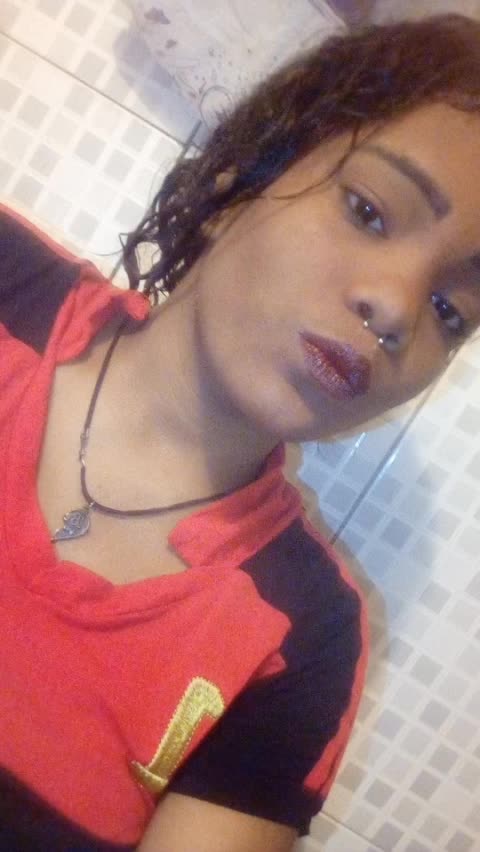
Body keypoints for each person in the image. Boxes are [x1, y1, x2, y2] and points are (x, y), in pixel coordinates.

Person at [1, 13, 480, 852]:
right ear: (239, 175)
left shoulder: (303, 642)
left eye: (451, 310)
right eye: (369, 211)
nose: (398, 307)